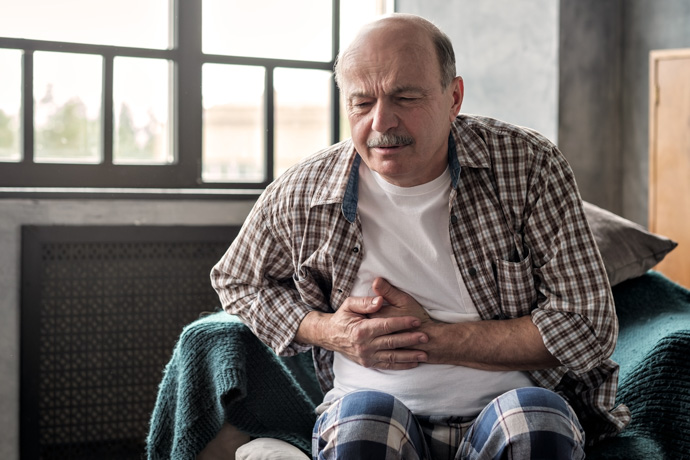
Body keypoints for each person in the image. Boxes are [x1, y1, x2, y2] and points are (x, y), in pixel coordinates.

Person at [211, 13, 630, 460]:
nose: (381, 122)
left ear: (454, 97)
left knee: (539, 425)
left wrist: (429, 337)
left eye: (405, 97)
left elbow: (588, 325)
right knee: (364, 429)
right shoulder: (305, 189)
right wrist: (329, 330)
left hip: (509, 404)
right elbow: (236, 280)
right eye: (361, 102)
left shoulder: (527, 166)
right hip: (367, 408)